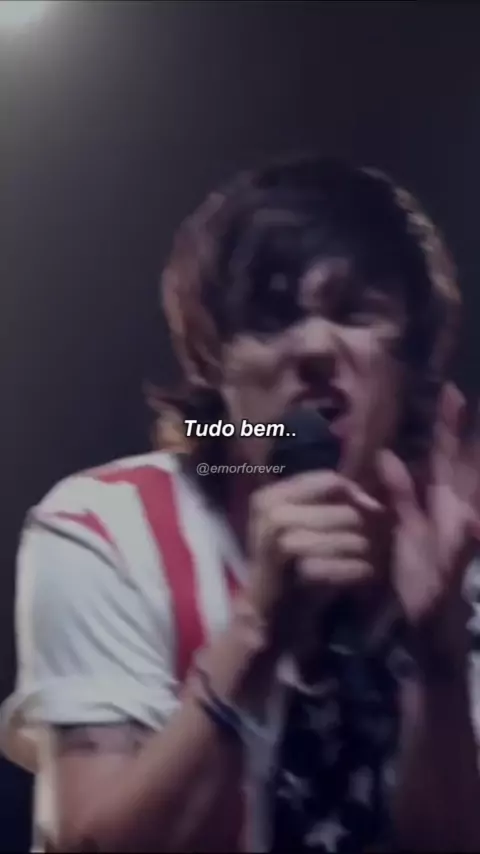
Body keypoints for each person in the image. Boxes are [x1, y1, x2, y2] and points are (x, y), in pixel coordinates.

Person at [2, 155, 480, 853]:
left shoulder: (458, 555)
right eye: (272, 318)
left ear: (407, 357)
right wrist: (256, 631)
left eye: (355, 312)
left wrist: (438, 648)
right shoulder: (106, 530)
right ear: (212, 361)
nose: (315, 347)